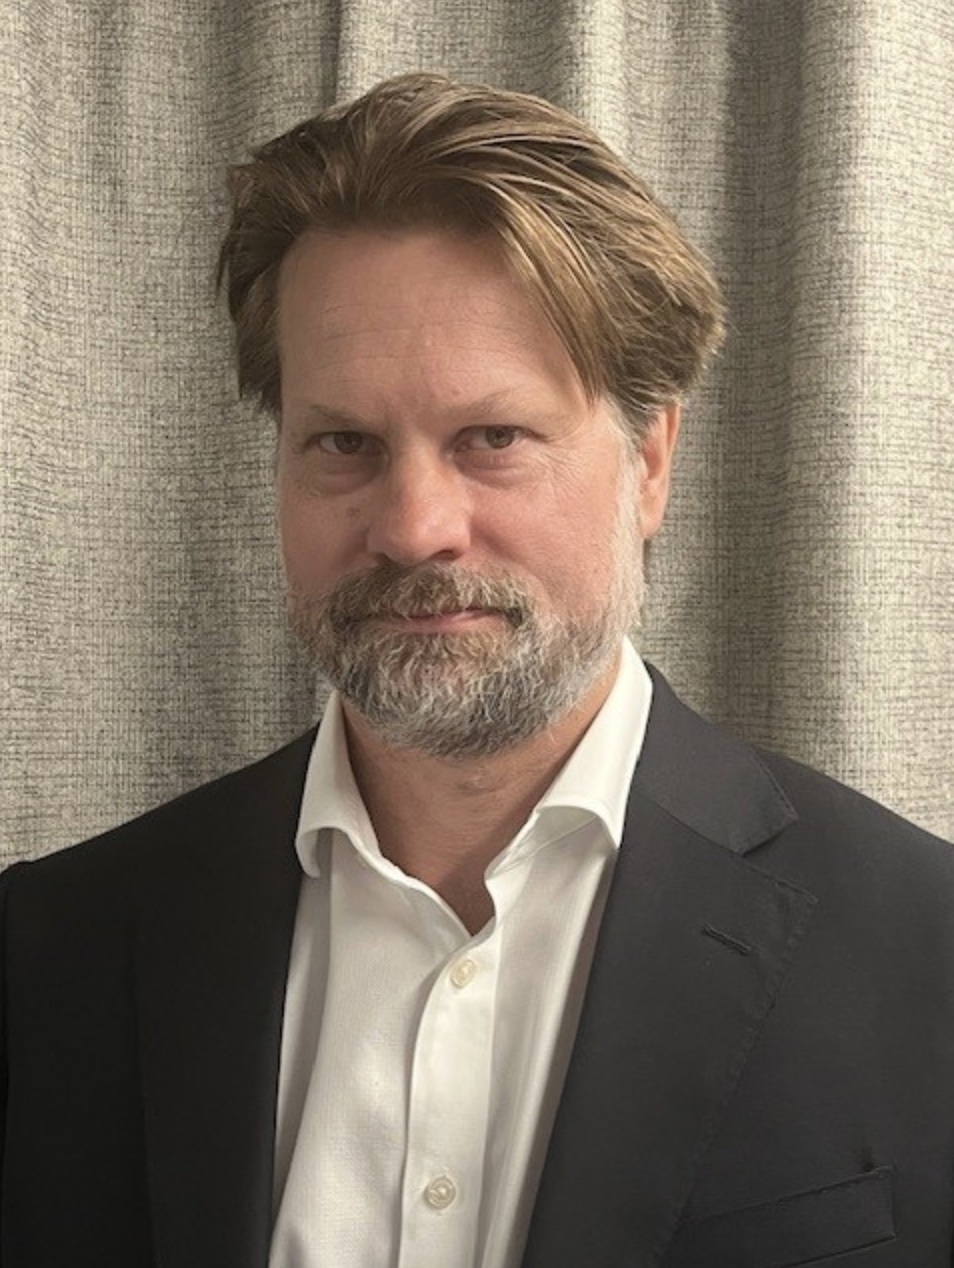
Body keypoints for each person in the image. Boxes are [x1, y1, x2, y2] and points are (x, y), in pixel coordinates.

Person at [0, 72, 952, 1268]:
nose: (414, 525)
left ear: (650, 459)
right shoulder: (51, 955)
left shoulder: (929, 953)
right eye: (344, 442)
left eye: (491, 438)